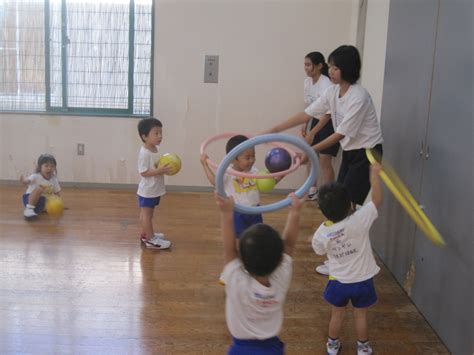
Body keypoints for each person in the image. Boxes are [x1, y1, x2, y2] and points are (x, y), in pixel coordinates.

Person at [266, 45, 383, 210]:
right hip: (351, 149)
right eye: (330, 67)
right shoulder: (333, 91)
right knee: (342, 196)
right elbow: (306, 114)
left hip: (368, 152)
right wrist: (275, 129)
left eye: (336, 68)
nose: (331, 71)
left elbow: (340, 134)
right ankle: (341, 231)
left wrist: (309, 151)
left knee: (348, 200)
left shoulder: (358, 97)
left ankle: (346, 232)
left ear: (348, 69)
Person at [215, 191, 305, 354]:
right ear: (278, 260)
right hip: (272, 348)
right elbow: (290, 246)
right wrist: (295, 212)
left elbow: (228, 249)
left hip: (240, 349)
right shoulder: (281, 278)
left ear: (241, 259)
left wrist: (226, 213)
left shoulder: (236, 280)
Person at [312, 163, 383, 355]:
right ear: (350, 203)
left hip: (339, 282)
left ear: (322, 209)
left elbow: (318, 251)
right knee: (361, 315)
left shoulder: (323, 232)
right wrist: (374, 175)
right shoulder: (360, 220)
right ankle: (363, 347)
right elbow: (376, 200)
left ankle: (333, 345)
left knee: (337, 314)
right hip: (363, 280)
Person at [200, 135, 264, 238]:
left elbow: (268, 182)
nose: (252, 160)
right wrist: (205, 165)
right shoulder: (227, 172)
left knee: (258, 236)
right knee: (239, 237)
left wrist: (282, 173)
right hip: (238, 212)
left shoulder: (254, 171)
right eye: (247, 157)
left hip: (255, 210)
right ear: (233, 159)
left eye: (253, 156)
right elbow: (215, 182)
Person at [301, 52, 339, 201]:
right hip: (316, 120)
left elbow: (328, 114)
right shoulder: (307, 82)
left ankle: (332, 196)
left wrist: (313, 132)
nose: (306, 68)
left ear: (319, 66)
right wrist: (306, 125)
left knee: (324, 161)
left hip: (328, 123)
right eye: (305, 64)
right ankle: (312, 190)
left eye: (309, 65)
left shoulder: (326, 84)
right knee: (311, 156)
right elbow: (310, 106)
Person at [137, 117, 173, 250]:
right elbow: (143, 172)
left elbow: (152, 167)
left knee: (147, 214)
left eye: (161, 133)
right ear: (145, 136)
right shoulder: (145, 153)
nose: (160, 136)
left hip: (153, 189)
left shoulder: (153, 149)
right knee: (147, 215)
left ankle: (146, 234)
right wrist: (160, 170)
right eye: (156, 133)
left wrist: (160, 167)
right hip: (148, 190)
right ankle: (151, 240)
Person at [20, 154, 61, 219]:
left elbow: (57, 194)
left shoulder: (54, 180)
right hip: (29, 199)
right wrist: (24, 181)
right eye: (46, 166)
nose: (49, 168)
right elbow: (27, 180)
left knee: (50, 200)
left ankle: (38, 210)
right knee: (39, 189)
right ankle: (29, 209)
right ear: (40, 167)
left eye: (52, 166)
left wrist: (59, 204)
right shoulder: (35, 176)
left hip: (41, 202)